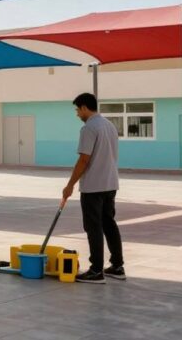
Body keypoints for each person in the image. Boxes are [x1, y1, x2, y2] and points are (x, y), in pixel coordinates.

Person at [62, 93, 125, 284]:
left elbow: (84, 159)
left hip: (93, 186)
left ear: (84, 108)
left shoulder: (89, 128)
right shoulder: (109, 125)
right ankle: (117, 265)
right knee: (109, 223)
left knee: (93, 227)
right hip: (110, 183)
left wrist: (70, 185)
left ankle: (96, 270)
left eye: (77, 110)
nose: (77, 114)